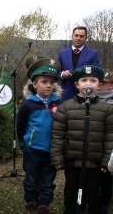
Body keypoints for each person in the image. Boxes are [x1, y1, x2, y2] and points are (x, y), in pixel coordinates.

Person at [51, 65, 113, 214]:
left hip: (95, 163)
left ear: (99, 85)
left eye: (93, 80)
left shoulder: (107, 109)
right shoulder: (66, 107)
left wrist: (106, 161)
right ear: (76, 85)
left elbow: (110, 137)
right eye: (84, 80)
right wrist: (57, 157)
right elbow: (58, 134)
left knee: (94, 194)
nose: (88, 83)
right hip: (73, 161)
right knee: (71, 192)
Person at [16, 57, 62, 214]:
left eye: (51, 82)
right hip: (32, 150)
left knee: (48, 182)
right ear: (34, 84)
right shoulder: (28, 104)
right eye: (44, 81)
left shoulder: (59, 104)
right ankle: (31, 204)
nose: (49, 85)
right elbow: (21, 126)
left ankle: (44, 205)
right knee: (31, 180)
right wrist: (24, 145)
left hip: (52, 151)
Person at [57, 26, 102, 102]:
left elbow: (97, 73)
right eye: (76, 35)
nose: (78, 38)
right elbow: (56, 71)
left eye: (81, 36)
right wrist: (63, 74)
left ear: (86, 38)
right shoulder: (62, 53)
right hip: (66, 95)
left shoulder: (93, 54)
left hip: (85, 95)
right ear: (72, 36)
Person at [95, 70, 113, 214]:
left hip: (108, 146)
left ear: (110, 85)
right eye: (98, 81)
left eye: (103, 82)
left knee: (106, 177)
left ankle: (104, 202)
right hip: (93, 145)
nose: (100, 85)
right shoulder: (90, 100)